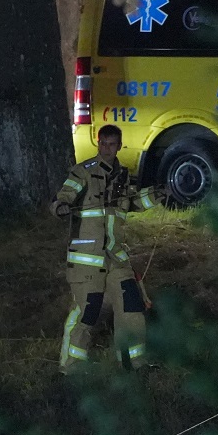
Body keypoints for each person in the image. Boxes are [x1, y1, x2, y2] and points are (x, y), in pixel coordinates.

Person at [55, 124, 154, 373]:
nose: (107, 149)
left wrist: (159, 195)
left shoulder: (124, 176)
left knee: (132, 307)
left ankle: (134, 363)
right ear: (98, 143)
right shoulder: (84, 172)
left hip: (116, 256)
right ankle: (71, 367)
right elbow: (64, 196)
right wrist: (60, 206)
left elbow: (134, 204)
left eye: (112, 144)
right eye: (103, 143)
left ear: (120, 146)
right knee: (87, 312)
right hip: (87, 258)